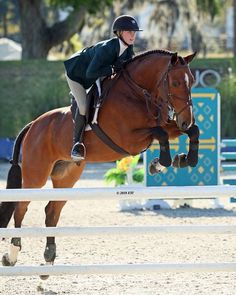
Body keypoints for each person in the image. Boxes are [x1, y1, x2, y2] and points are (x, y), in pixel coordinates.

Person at [64, 15, 142, 162]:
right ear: (119, 33)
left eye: (134, 32)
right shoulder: (106, 48)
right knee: (83, 106)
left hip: (95, 74)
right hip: (77, 73)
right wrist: (112, 69)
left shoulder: (128, 49)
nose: (133, 35)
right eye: (129, 31)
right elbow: (91, 73)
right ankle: (77, 144)